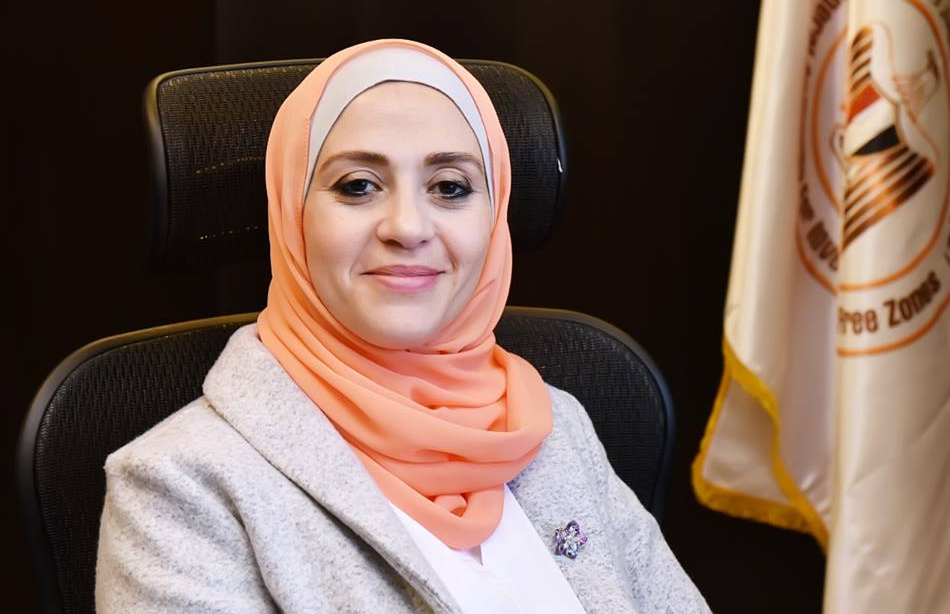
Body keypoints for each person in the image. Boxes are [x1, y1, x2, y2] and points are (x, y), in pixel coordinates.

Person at [95, 39, 709, 613]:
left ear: (495, 218)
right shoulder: (179, 487)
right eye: (358, 186)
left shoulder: (557, 427)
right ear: (291, 212)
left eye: (451, 187)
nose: (408, 227)